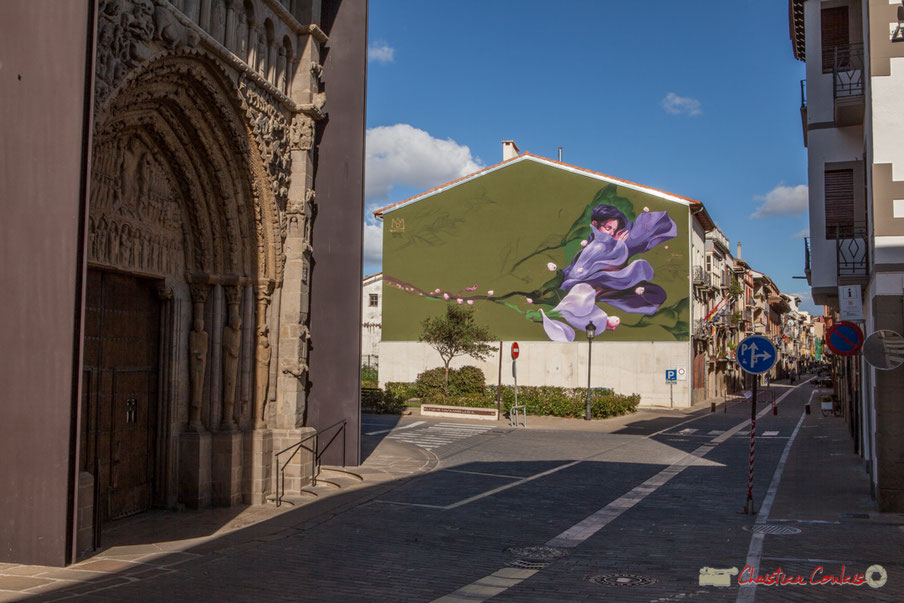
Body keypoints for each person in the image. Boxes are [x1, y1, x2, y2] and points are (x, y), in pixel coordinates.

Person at [559, 204, 677, 315]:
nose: (611, 233)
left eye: (613, 230)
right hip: (582, 284)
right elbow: (580, 271)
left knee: (654, 292)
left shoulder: (605, 240)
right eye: (608, 228)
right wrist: (619, 246)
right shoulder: (596, 243)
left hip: (601, 284)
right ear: (595, 224)